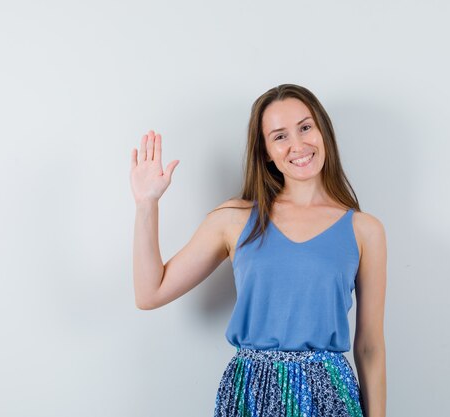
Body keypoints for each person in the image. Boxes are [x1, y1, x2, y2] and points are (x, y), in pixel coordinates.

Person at [129, 83, 387, 417]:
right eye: (280, 136)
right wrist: (146, 204)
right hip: (251, 393)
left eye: (305, 127)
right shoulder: (234, 219)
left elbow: (369, 346)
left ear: (323, 131)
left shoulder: (365, 230)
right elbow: (150, 293)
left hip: (330, 396)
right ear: (265, 150)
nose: (298, 144)